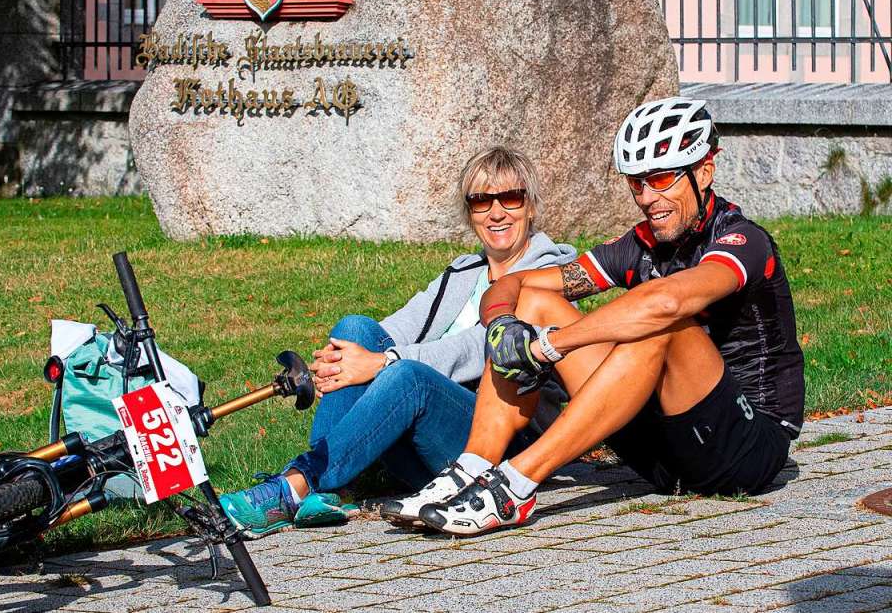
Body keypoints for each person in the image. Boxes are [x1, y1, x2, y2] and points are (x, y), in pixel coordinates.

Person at [390, 97, 804, 536]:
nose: (649, 198)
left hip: (745, 450)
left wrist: (550, 346)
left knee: (662, 324)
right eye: (637, 184)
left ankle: (514, 485)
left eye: (661, 179)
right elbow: (510, 285)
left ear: (704, 171)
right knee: (534, 302)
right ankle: (471, 469)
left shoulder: (744, 241)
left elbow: (664, 304)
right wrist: (502, 327)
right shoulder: (638, 245)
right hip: (662, 454)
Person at [219, 147, 578, 537]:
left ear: (530, 206)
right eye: (480, 201)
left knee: (408, 375)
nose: (496, 212)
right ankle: (329, 488)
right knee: (355, 328)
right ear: (468, 211)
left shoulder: (548, 274)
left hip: (496, 448)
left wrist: (381, 362)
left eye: (510, 198)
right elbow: (401, 325)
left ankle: (293, 486)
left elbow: (480, 348)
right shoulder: (463, 271)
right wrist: (348, 359)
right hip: (426, 437)